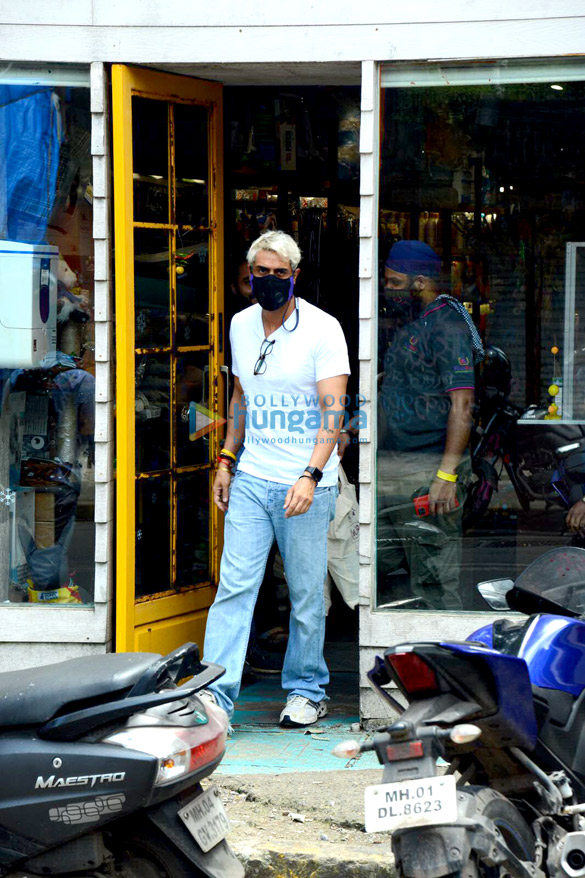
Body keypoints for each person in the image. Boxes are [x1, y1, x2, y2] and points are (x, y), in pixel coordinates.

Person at [202, 230, 350, 727]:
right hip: (252, 478)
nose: (267, 281)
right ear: (249, 277)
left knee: (307, 593)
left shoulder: (324, 330)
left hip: (305, 483)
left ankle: (307, 689)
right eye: (259, 273)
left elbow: (334, 412)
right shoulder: (241, 325)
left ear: (295, 277)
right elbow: (241, 398)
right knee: (234, 588)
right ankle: (214, 698)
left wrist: (310, 475)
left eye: (278, 274)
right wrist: (226, 458)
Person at [377, 240, 483, 610]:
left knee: (434, 580)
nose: (387, 290)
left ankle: (444, 663)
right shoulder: (412, 324)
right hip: (392, 465)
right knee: (374, 564)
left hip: (428, 470)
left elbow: (463, 403)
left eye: (393, 283)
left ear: (419, 283)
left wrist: (448, 474)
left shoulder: (447, 327)